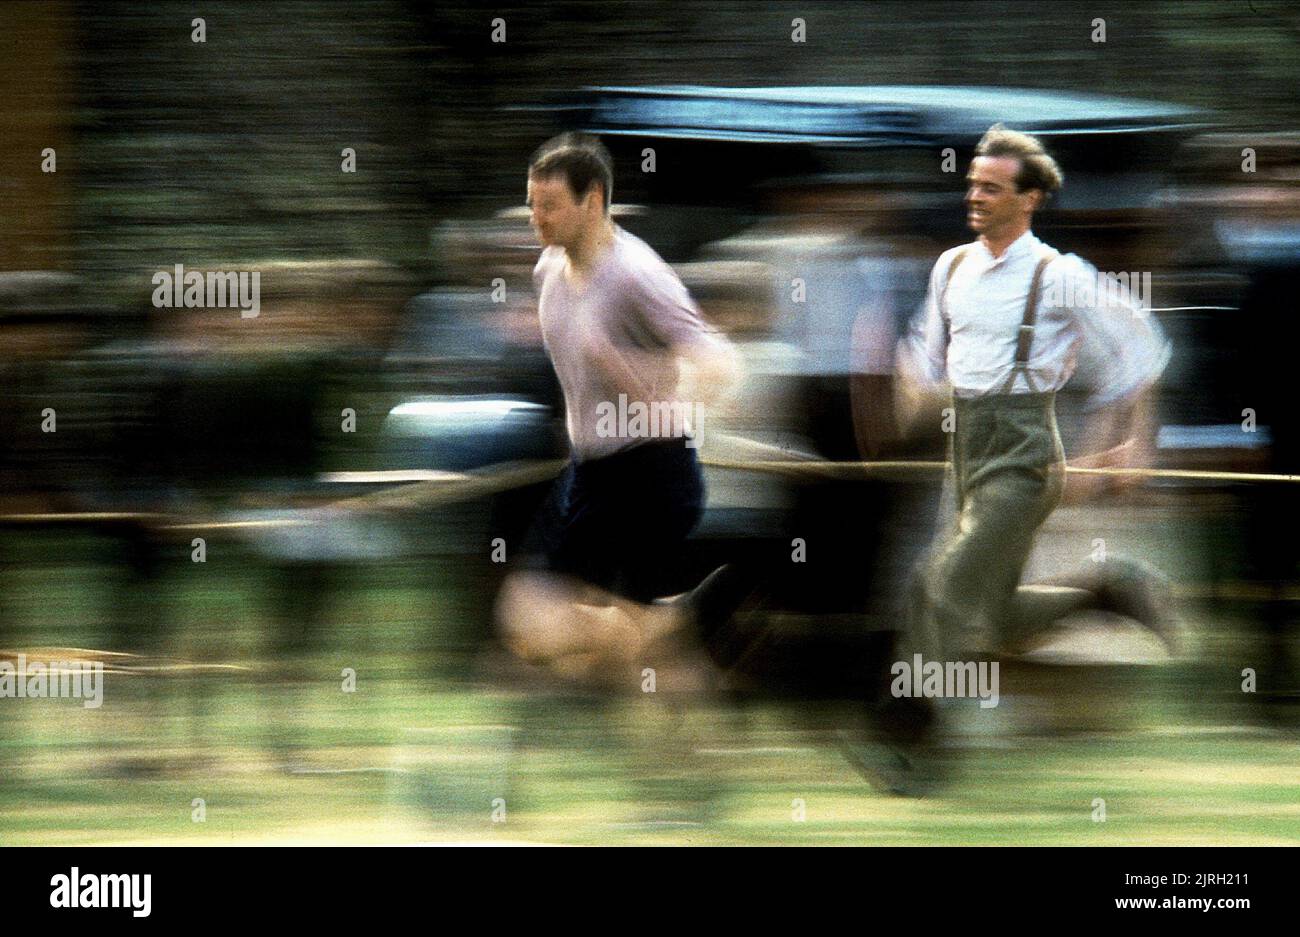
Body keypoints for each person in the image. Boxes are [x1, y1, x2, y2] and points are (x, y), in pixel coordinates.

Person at [896, 124, 1172, 662]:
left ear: (1029, 200)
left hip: (1026, 459)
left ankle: (906, 721)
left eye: (992, 188)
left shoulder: (1059, 274)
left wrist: (1133, 438)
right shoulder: (950, 267)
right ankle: (1105, 592)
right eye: (973, 184)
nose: (975, 196)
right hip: (965, 452)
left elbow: (1141, 345)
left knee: (943, 587)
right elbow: (923, 354)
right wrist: (909, 398)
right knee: (993, 618)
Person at [496, 133, 744, 685]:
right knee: (603, 651)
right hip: (591, 473)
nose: (536, 217)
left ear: (595, 200)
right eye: (532, 203)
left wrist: (665, 413)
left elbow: (720, 362)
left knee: (531, 623)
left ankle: (673, 625)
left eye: (550, 205)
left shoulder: (636, 274)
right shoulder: (548, 270)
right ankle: (678, 639)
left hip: (648, 476)